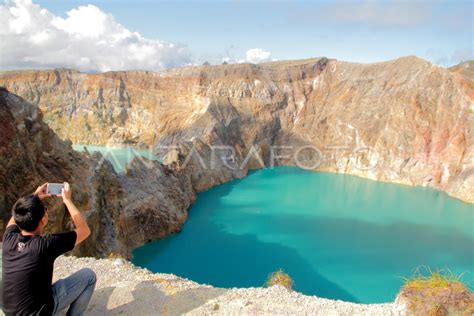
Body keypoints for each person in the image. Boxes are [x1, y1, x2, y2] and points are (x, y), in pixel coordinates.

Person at [2, 182, 96, 316]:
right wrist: (67, 200)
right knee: (89, 276)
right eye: (45, 209)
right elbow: (84, 230)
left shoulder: (8, 239)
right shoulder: (46, 245)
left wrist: (34, 197)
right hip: (37, 313)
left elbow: (16, 217)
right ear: (42, 220)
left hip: (10, 311)